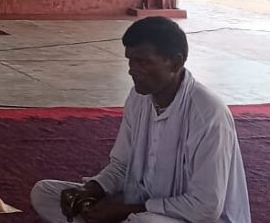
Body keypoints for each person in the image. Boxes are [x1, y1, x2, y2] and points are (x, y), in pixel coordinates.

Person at [31, 17, 250, 223]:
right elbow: (121, 166)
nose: (131, 70)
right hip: (139, 204)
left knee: (143, 221)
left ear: (175, 63)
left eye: (143, 62)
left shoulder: (208, 114)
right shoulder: (138, 98)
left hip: (191, 218)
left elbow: (206, 207)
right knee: (45, 193)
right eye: (130, 61)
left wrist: (128, 210)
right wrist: (91, 190)